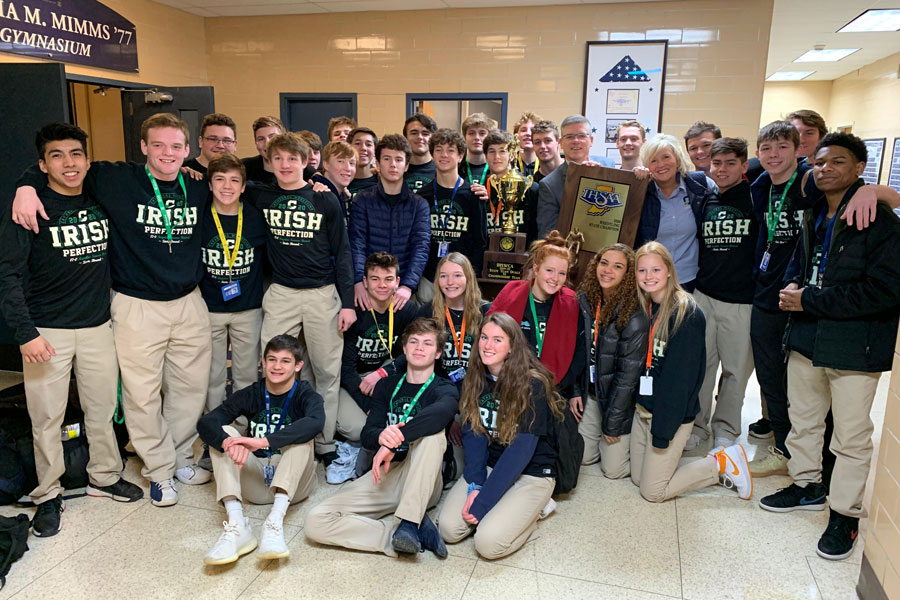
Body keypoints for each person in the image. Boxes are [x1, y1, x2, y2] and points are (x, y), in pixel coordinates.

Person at [13, 113, 213, 506]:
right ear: (143, 148)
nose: (167, 153)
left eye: (175, 146)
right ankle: (158, 470)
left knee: (190, 388)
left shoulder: (198, 185)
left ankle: (180, 456)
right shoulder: (116, 178)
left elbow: (247, 186)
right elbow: (62, 166)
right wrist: (24, 185)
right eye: (158, 145)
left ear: (188, 151)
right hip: (136, 304)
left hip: (190, 302)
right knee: (141, 393)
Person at [760, 133, 900, 561]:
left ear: (860, 168)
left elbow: (885, 290)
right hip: (807, 337)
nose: (825, 169)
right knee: (804, 421)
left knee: (852, 437)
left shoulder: (881, 221)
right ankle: (807, 485)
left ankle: (845, 514)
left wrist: (809, 299)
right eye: (819, 163)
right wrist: (795, 288)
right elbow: (812, 267)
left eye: (837, 162)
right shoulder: (815, 212)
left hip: (855, 345)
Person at [0, 123, 143, 537]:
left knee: (101, 410)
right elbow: (7, 276)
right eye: (57, 156)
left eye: (76, 154)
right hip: (48, 331)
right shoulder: (29, 208)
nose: (69, 163)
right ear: (42, 164)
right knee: (46, 418)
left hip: (98, 326)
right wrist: (25, 333)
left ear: (86, 158)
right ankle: (48, 494)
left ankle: (104, 474)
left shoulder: (98, 196)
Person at [246, 132, 356, 468]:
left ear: (306, 161)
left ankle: (323, 441)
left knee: (325, 370)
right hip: (282, 293)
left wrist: (348, 302)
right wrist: (194, 171)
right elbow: (222, 179)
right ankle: (275, 432)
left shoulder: (324, 198)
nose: (285, 165)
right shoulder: (260, 194)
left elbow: (342, 252)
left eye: (292, 159)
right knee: (273, 367)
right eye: (278, 158)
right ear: (270, 161)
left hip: (323, 293)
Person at [305, 318, 458, 558]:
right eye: (414, 342)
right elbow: (368, 434)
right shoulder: (386, 386)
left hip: (423, 475)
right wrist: (381, 436)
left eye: (427, 344)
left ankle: (409, 521)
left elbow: (442, 413)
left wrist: (396, 438)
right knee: (316, 521)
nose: (419, 348)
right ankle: (399, 533)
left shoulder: (444, 388)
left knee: (433, 436)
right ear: (404, 348)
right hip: (386, 474)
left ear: (438, 353)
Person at [630, 242, 752, 503]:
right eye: (642, 271)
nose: (648, 277)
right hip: (645, 409)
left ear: (670, 272)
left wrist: (663, 434)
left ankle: (721, 462)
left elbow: (680, 383)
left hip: (671, 414)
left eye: (655, 270)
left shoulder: (687, 313)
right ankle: (670, 463)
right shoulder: (644, 306)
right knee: (637, 478)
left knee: (652, 492)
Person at [438, 312, 563, 559]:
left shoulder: (533, 384)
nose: (487, 345)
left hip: (531, 472)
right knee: (449, 530)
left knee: (488, 543)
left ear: (511, 347)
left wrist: (484, 502)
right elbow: (473, 434)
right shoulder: (474, 377)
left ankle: (535, 511)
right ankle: (505, 508)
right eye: (484, 337)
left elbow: (521, 452)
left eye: (497, 339)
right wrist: (475, 485)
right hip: (491, 464)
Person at [198, 334, 324, 564]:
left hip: (293, 486)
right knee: (225, 433)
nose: (277, 366)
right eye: (272, 359)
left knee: (303, 435)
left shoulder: (306, 394)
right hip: (255, 480)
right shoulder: (252, 393)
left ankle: (274, 523)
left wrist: (263, 441)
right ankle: (237, 525)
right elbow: (207, 422)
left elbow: (316, 422)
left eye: (286, 361)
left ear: (298, 366)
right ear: (263, 363)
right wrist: (226, 442)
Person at [687, 138, 758, 454]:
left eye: (731, 163)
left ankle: (726, 428)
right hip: (704, 295)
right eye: (717, 163)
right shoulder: (706, 197)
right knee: (700, 366)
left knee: (735, 371)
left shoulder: (757, 196)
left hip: (742, 301)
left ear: (744, 166)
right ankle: (698, 425)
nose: (723, 169)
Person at [199, 154, 268, 437]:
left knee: (246, 375)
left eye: (234, 181)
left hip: (248, 307)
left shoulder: (254, 216)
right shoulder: (201, 215)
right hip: (209, 307)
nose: (227, 186)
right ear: (210, 183)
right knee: (212, 376)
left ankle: (241, 429)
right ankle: (215, 430)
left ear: (242, 187)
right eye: (219, 179)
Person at [571, 245, 648, 479]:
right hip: (592, 393)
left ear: (627, 273)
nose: (608, 270)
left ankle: (636, 439)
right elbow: (576, 354)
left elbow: (628, 377)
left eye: (618, 266)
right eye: (604, 263)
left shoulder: (634, 313)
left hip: (620, 400)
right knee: (583, 458)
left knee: (613, 471)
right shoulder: (584, 301)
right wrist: (576, 391)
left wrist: (613, 422)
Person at [488, 231, 585, 399]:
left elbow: (579, 353)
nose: (555, 278)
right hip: (508, 385)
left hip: (552, 391)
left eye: (562, 273)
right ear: (536, 268)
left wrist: (556, 388)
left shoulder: (571, 303)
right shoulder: (512, 292)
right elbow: (489, 337)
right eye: (549, 270)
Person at [339, 252, 419, 445]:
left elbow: (416, 352)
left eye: (388, 279)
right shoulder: (354, 310)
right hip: (352, 379)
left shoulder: (407, 309)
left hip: (384, 372)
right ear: (365, 282)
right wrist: (369, 407)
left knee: (399, 420)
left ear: (398, 281)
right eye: (375, 279)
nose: (382, 285)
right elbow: (346, 369)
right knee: (359, 430)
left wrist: (383, 372)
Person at [349, 134, 430, 312]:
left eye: (399, 159)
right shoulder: (362, 200)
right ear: (377, 164)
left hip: (404, 291)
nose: (393, 164)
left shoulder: (419, 205)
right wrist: (359, 281)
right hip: (369, 288)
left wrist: (408, 285)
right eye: (387, 159)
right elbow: (357, 244)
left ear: (406, 165)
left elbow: (421, 247)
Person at [634, 134, 716, 291]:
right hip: (651, 281)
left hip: (690, 279)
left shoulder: (700, 185)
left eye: (666, 157)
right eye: (653, 160)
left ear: (677, 159)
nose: (661, 164)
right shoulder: (642, 191)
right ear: (647, 166)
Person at [415, 128, 487, 305]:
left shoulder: (473, 196)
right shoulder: (421, 196)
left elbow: (480, 243)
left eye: (450, 150)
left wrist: (470, 278)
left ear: (460, 155)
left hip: (461, 279)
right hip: (429, 278)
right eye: (438, 149)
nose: (444, 155)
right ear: (432, 154)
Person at [536, 115, 615, 238]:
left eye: (582, 136)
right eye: (570, 137)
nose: (576, 141)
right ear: (561, 143)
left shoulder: (608, 167)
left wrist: (599, 176)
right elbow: (548, 234)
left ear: (591, 140)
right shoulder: (549, 185)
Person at [483, 129, 539, 244]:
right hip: (490, 257)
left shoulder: (530, 189)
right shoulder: (481, 191)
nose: (497, 156)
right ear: (485, 156)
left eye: (502, 151)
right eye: (492, 151)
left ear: (512, 155)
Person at [746, 109, 828, 183]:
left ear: (821, 137)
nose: (801, 140)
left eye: (809, 133)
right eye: (795, 132)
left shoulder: (827, 172)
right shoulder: (756, 170)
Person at [311, 140, 357, 227]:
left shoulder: (341, 195)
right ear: (326, 164)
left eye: (352, 163)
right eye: (340, 161)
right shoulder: (318, 194)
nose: (348, 168)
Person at [242, 116, 284, 185]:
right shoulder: (244, 168)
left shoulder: (301, 170)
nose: (267, 144)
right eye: (261, 139)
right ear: (256, 143)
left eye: (272, 137)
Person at [403, 112, 438, 193]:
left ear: (433, 138)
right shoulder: (396, 170)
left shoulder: (441, 171)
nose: (419, 137)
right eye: (414, 133)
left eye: (425, 133)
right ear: (406, 137)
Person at [458, 112, 493, 186]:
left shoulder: (497, 167)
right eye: (471, 133)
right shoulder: (456, 166)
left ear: (489, 138)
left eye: (482, 133)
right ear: (464, 137)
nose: (477, 137)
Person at [347, 127, 379, 198]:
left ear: (375, 151)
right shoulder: (341, 183)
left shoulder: (382, 184)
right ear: (348, 148)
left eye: (368, 144)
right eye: (358, 143)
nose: (363, 148)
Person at [531, 120, 563, 184]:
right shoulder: (533, 184)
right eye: (537, 142)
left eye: (548, 141)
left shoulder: (573, 173)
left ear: (559, 142)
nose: (542, 146)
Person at [513, 111, 542, 177]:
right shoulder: (509, 164)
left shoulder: (545, 164)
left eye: (532, 130)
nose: (528, 133)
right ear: (516, 135)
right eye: (523, 130)